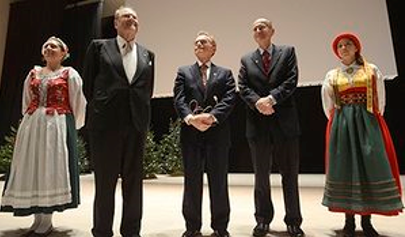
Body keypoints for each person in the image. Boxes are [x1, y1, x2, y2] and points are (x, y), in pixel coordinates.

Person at [0, 36, 86, 236]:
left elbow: (78, 102)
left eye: (54, 46)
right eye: (46, 46)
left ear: (64, 53)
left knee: (50, 166)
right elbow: (26, 100)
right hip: (33, 125)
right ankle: (37, 218)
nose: (49, 48)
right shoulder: (33, 73)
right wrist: (30, 122)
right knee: (32, 166)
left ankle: (46, 220)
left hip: (56, 124)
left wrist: (72, 127)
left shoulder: (69, 74)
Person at [321, 32, 404, 237]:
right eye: (340, 46)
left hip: (367, 123)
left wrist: (371, 124)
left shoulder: (371, 70)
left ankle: (367, 220)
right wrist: (340, 123)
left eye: (348, 44)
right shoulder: (332, 75)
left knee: (370, 167)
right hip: (343, 125)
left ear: (356, 48)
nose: (344, 48)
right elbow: (328, 104)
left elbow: (380, 99)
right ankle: (349, 220)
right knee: (345, 168)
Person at [82, 5, 155, 237]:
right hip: (106, 126)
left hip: (136, 125)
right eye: (126, 16)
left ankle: (132, 231)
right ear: (115, 23)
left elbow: (146, 90)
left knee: (134, 183)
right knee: (105, 182)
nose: (131, 19)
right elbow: (89, 86)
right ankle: (102, 231)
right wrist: (102, 110)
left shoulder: (148, 55)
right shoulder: (99, 48)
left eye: (135, 16)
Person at [237, 18, 304, 237]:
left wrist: (272, 99)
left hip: (285, 123)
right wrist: (258, 102)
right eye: (255, 28)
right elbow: (243, 86)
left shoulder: (287, 52)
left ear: (272, 31)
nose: (258, 30)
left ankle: (293, 220)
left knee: (290, 175)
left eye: (262, 27)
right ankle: (263, 219)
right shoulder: (246, 59)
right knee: (261, 175)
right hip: (258, 123)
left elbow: (291, 80)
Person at [173, 31, 237, 237]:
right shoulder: (183, 72)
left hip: (217, 134)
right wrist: (191, 119)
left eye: (204, 41)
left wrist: (212, 117)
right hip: (191, 134)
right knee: (192, 182)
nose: (199, 44)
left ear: (214, 48)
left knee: (218, 181)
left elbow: (229, 98)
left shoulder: (226, 73)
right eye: (196, 42)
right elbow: (179, 99)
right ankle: (192, 227)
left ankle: (220, 227)